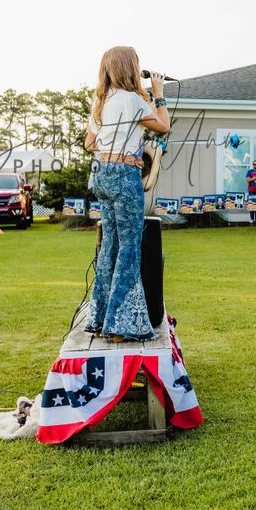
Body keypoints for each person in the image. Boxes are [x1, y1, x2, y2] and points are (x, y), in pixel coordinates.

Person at [83, 46, 170, 342]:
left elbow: (89, 143)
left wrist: (113, 144)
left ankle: (99, 318)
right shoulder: (134, 100)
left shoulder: (100, 100)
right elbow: (164, 126)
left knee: (109, 245)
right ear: (130, 68)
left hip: (101, 175)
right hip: (124, 176)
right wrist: (158, 92)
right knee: (130, 248)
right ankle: (121, 325)